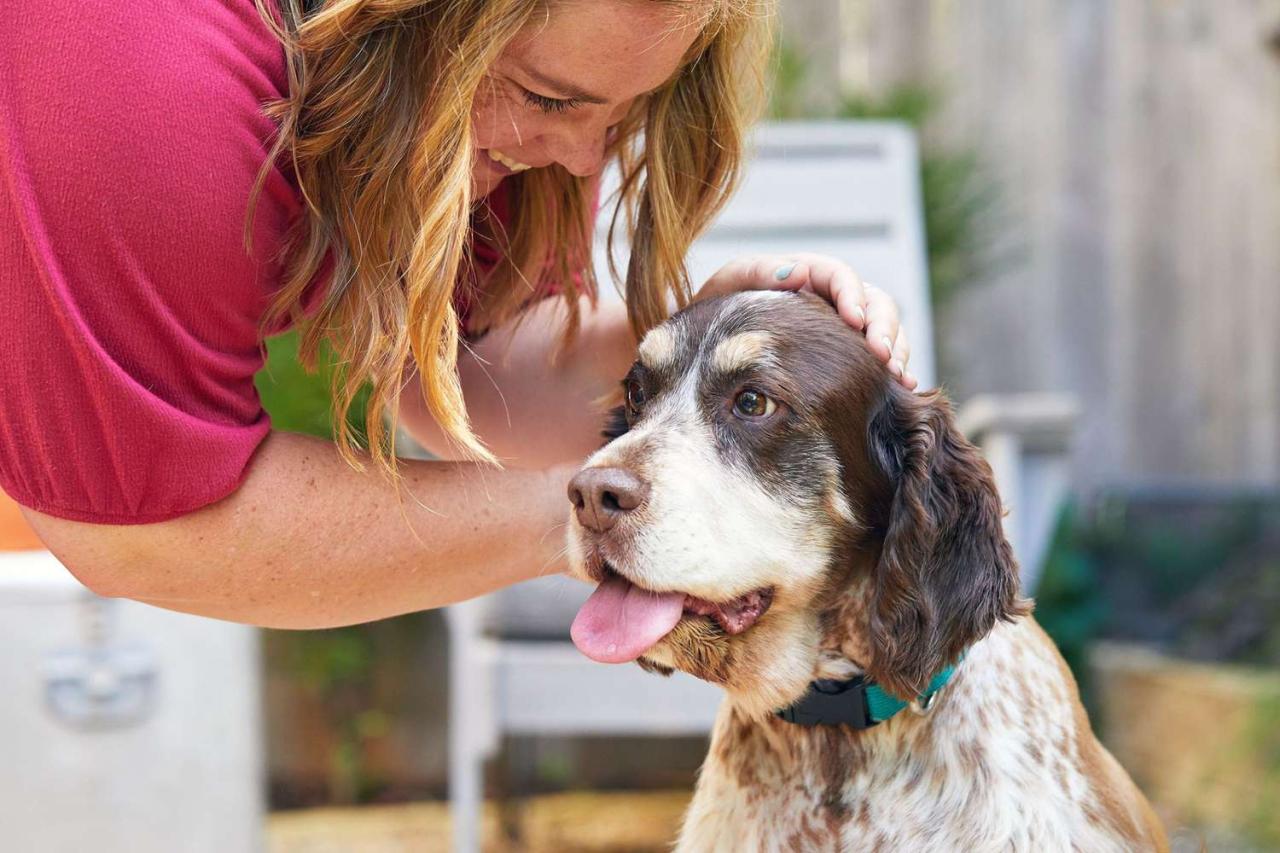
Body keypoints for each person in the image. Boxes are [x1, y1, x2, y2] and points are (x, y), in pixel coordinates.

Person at [0, 0, 917, 630]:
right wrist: (601, 518)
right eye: (547, 98)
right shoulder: (143, 91)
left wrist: (692, 365)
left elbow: (466, 370)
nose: (581, 156)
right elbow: (148, 531)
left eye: (622, 113)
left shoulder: (493, 92)